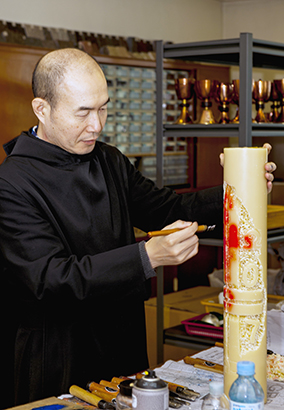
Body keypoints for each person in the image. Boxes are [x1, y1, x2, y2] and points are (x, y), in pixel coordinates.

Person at [0, 48, 275, 408]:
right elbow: (52, 278)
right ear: (41, 109)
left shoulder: (109, 160)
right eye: (83, 112)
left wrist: (237, 188)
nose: (97, 125)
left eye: (103, 108)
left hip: (122, 339)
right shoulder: (12, 182)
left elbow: (169, 209)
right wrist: (145, 257)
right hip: (58, 352)